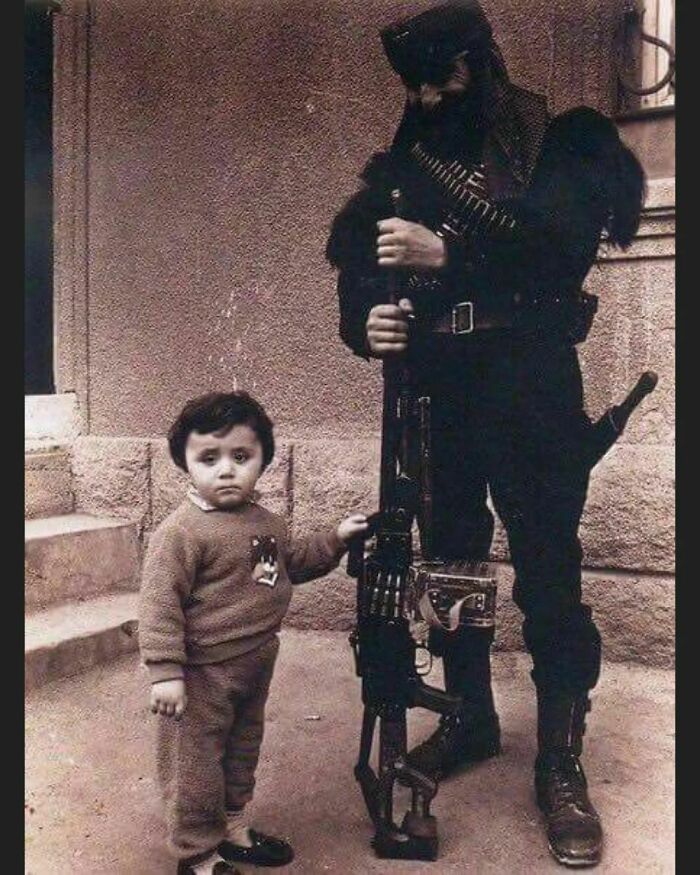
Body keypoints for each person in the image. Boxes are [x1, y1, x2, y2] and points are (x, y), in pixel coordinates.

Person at [325, 0, 645, 867]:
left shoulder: (559, 140)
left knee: (548, 563)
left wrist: (451, 256)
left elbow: (562, 249)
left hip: (531, 383)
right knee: (452, 556)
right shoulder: (407, 168)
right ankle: (469, 713)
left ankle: (561, 759)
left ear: (484, 64)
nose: (429, 97)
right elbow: (360, 262)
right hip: (442, 389)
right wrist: (368, 321)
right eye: (417, 85)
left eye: (444, 77)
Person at [138, 390, 367, 875]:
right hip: (201, 673)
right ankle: (197, 854)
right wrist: (165, 671)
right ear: (184, 462)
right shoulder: (180, 533)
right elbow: (160, 604)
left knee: (242, 750)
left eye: (241, 457)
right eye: (209, 458)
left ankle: (234, 827)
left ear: (263, 458)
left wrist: (336, 540)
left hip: (255, 660)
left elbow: (287, 568)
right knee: (195, 764)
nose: (226, 470)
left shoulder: (265, 524)